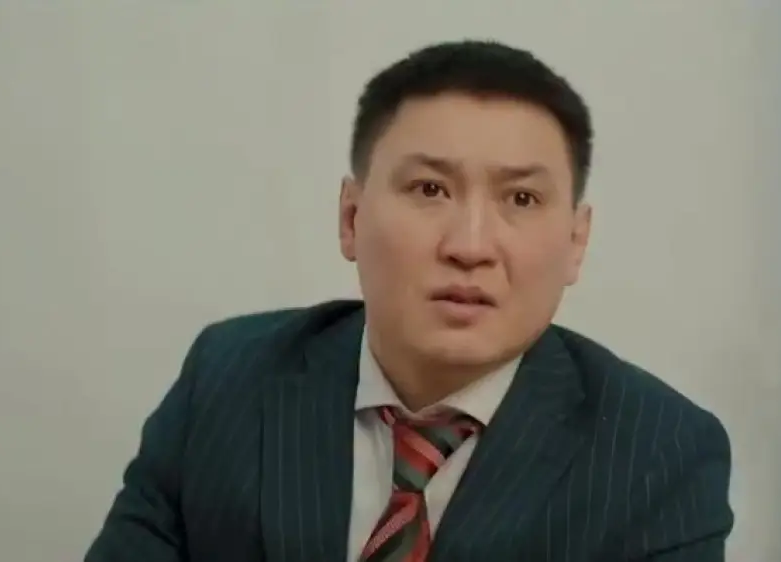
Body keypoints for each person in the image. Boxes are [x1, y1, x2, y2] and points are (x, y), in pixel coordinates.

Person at [85, 39, 733, 562]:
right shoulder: (227, 378)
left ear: (575, 242)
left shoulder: (659, 455)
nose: (470, 246)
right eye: (429, 189)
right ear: (351, 216)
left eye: (522, 198)